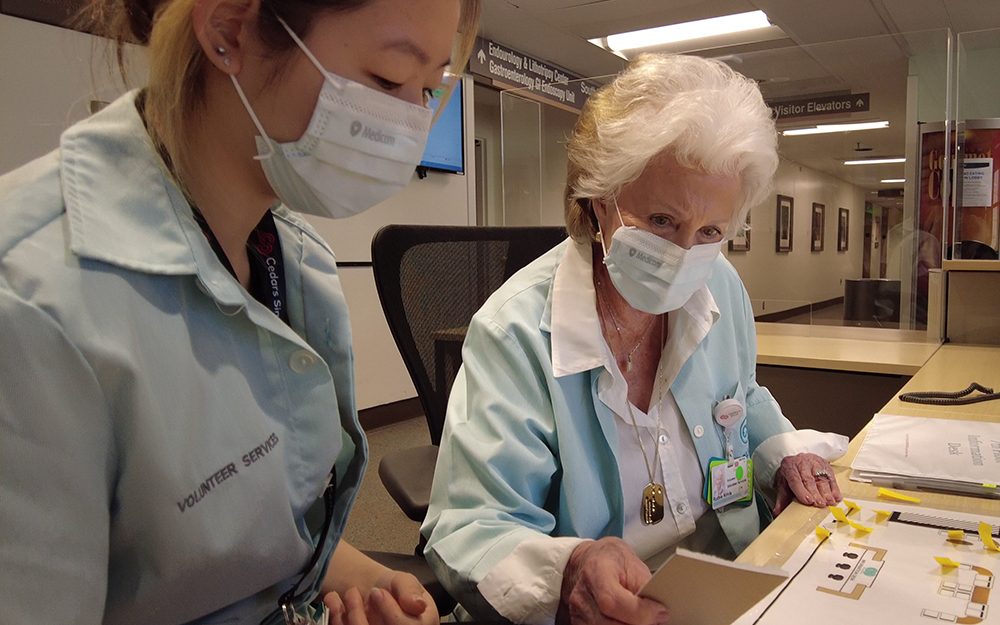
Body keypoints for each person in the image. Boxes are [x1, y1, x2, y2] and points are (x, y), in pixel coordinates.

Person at [0, 0, 478, 623]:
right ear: (228, 31)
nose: (412, 123)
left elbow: (231, 533)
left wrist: (356, 575)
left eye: (429, 89)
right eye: (388, 80)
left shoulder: (284, 253)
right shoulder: (33, 303)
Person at [421, 53, 848, 625]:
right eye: (663, 221)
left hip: (729, 585)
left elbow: (741, 399)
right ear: (601, 199)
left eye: (710, 231)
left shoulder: (720, 285)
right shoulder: (515, 333)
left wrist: (784, 455)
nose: (683, 253)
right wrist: (571, 567)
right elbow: (468, 528)